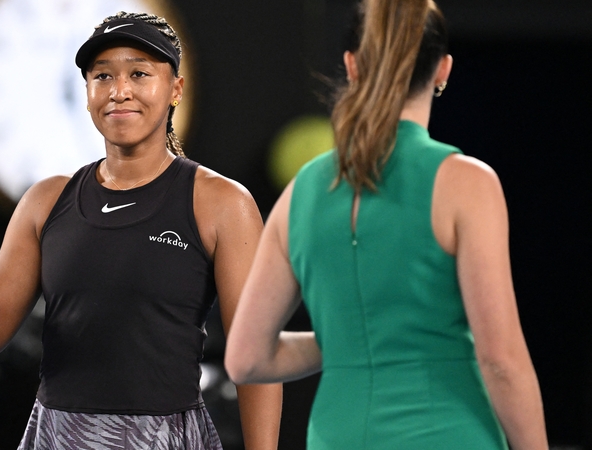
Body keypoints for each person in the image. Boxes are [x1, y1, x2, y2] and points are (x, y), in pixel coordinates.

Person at [0, 11, 282, 450]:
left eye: (139, 73)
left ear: (175, 89)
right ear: (87, 93)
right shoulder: (46, 200)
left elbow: (254, 358)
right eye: (102, 76)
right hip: (57, 436)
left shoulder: (222, 203)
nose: (119, 91)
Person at [224, 0, 548, 448]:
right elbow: (501, 361)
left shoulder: (302, 190)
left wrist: (350, 341)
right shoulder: (468, 183)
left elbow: (245, 360)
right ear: (442, 71)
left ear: (352, 65)